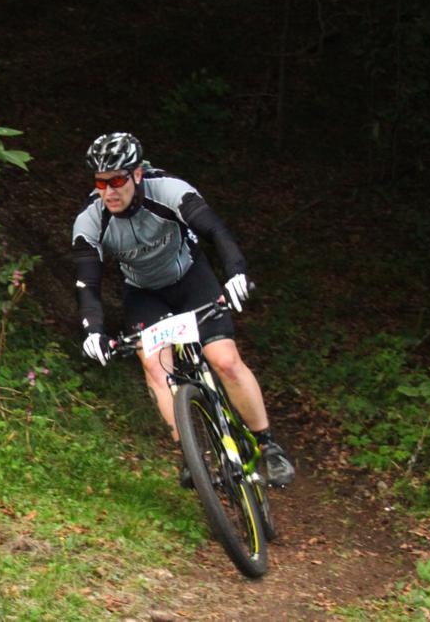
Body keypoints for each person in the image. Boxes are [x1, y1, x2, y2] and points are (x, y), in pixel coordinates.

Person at [71, 132, 295, 488]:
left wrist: (236, 273)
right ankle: (192, 455)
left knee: (224, 360)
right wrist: (93, 331)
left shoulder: (169, 191)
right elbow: (88, 284)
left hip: (191, 279)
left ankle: (268, 445)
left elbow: (216, 231)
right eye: (101, 183)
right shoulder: (90, 220)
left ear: (137, 174)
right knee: (155, 367)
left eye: (117, 181)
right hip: (144, 293)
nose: (109, 191)